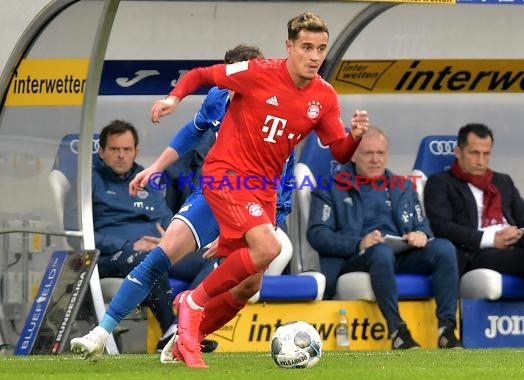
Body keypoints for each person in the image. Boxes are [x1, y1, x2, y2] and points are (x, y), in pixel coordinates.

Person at [145, 12, 368, 368]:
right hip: (227, 174)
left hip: (263, 187)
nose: (314, 56)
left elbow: (338, 150)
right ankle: (192, 303)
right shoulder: (258, 71)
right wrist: (174, 99)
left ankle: (189, 338)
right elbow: (201, 75)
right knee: (270, 247)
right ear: (289, 47)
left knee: (249, 284)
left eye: (321, 49)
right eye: (307, 47)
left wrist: (354, 138)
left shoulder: (324, 97)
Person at [70, 44, 296, 364]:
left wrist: (244, 233)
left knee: (249, 285)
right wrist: (155, 167)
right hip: (214, 194)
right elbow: (193, 130)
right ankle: (101, 332)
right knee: (162, 254)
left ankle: (186, 335)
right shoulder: (218, 97)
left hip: (256, 207)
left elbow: (279, 183)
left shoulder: (280, 113)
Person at [306, 126, 462, 349]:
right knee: (381, 251)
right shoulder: (330, 187)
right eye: (368, 153)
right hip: (358, 257)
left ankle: (447, 329)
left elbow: (421, 223)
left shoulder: (402, 186)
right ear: (353, 154)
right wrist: (359, 242)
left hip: (400, 252)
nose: (375, 159)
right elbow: (317, 233)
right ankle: (397, 330)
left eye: (380, 153)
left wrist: (421, 234)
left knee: (444, 248)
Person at [424, 123, 524, 332]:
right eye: (474, 153)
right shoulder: (440, 183)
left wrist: (517, 233)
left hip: (512, 244)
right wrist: (493, 240)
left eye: (486, 154)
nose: (481, 160)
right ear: (458, 152)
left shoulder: (503, 181)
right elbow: (442, 227)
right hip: (477, 253)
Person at [88, 120, 216, 352]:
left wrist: (169, 239)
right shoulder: (89, 181)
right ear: (101, 151)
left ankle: (183, 326)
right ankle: (170, 332)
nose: (121, 156)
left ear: (136, 152)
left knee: (212, 257)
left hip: (157, 249)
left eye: (127, 150)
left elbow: (166, 218)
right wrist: (130, 244)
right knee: (148, 261)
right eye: (114, 149)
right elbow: (80, 233)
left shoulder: (148, 178)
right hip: (111, 257)